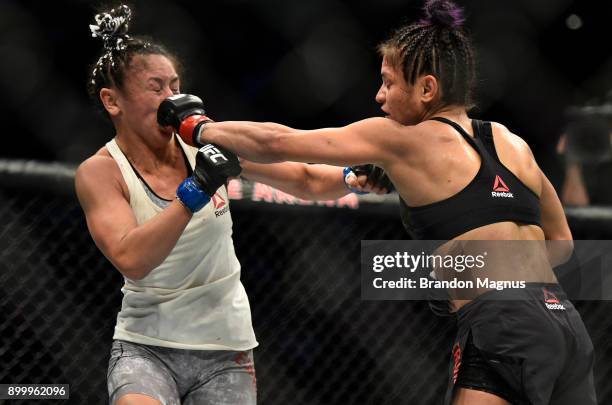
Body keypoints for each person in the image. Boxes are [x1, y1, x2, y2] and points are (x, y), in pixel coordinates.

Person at [160, 1, 597, 404]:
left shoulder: (399, 139)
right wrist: (236, 166)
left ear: (427, 89)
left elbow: (281, 141)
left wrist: (198, 128)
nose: (379, 97)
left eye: (388, 82)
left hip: (504, 324)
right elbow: (561, 242)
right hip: (564, 323)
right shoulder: (513, 143)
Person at [75, 5, 390, 405]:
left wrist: (352, 178)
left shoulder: (206, 144)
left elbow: (304, 179)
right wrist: (196, 190)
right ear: (112, 100)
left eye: (175, 86)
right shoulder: (101, 172)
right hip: (146, 347)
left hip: (225, 351)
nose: (172, 99)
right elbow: (131, 257)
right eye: (156, 88)